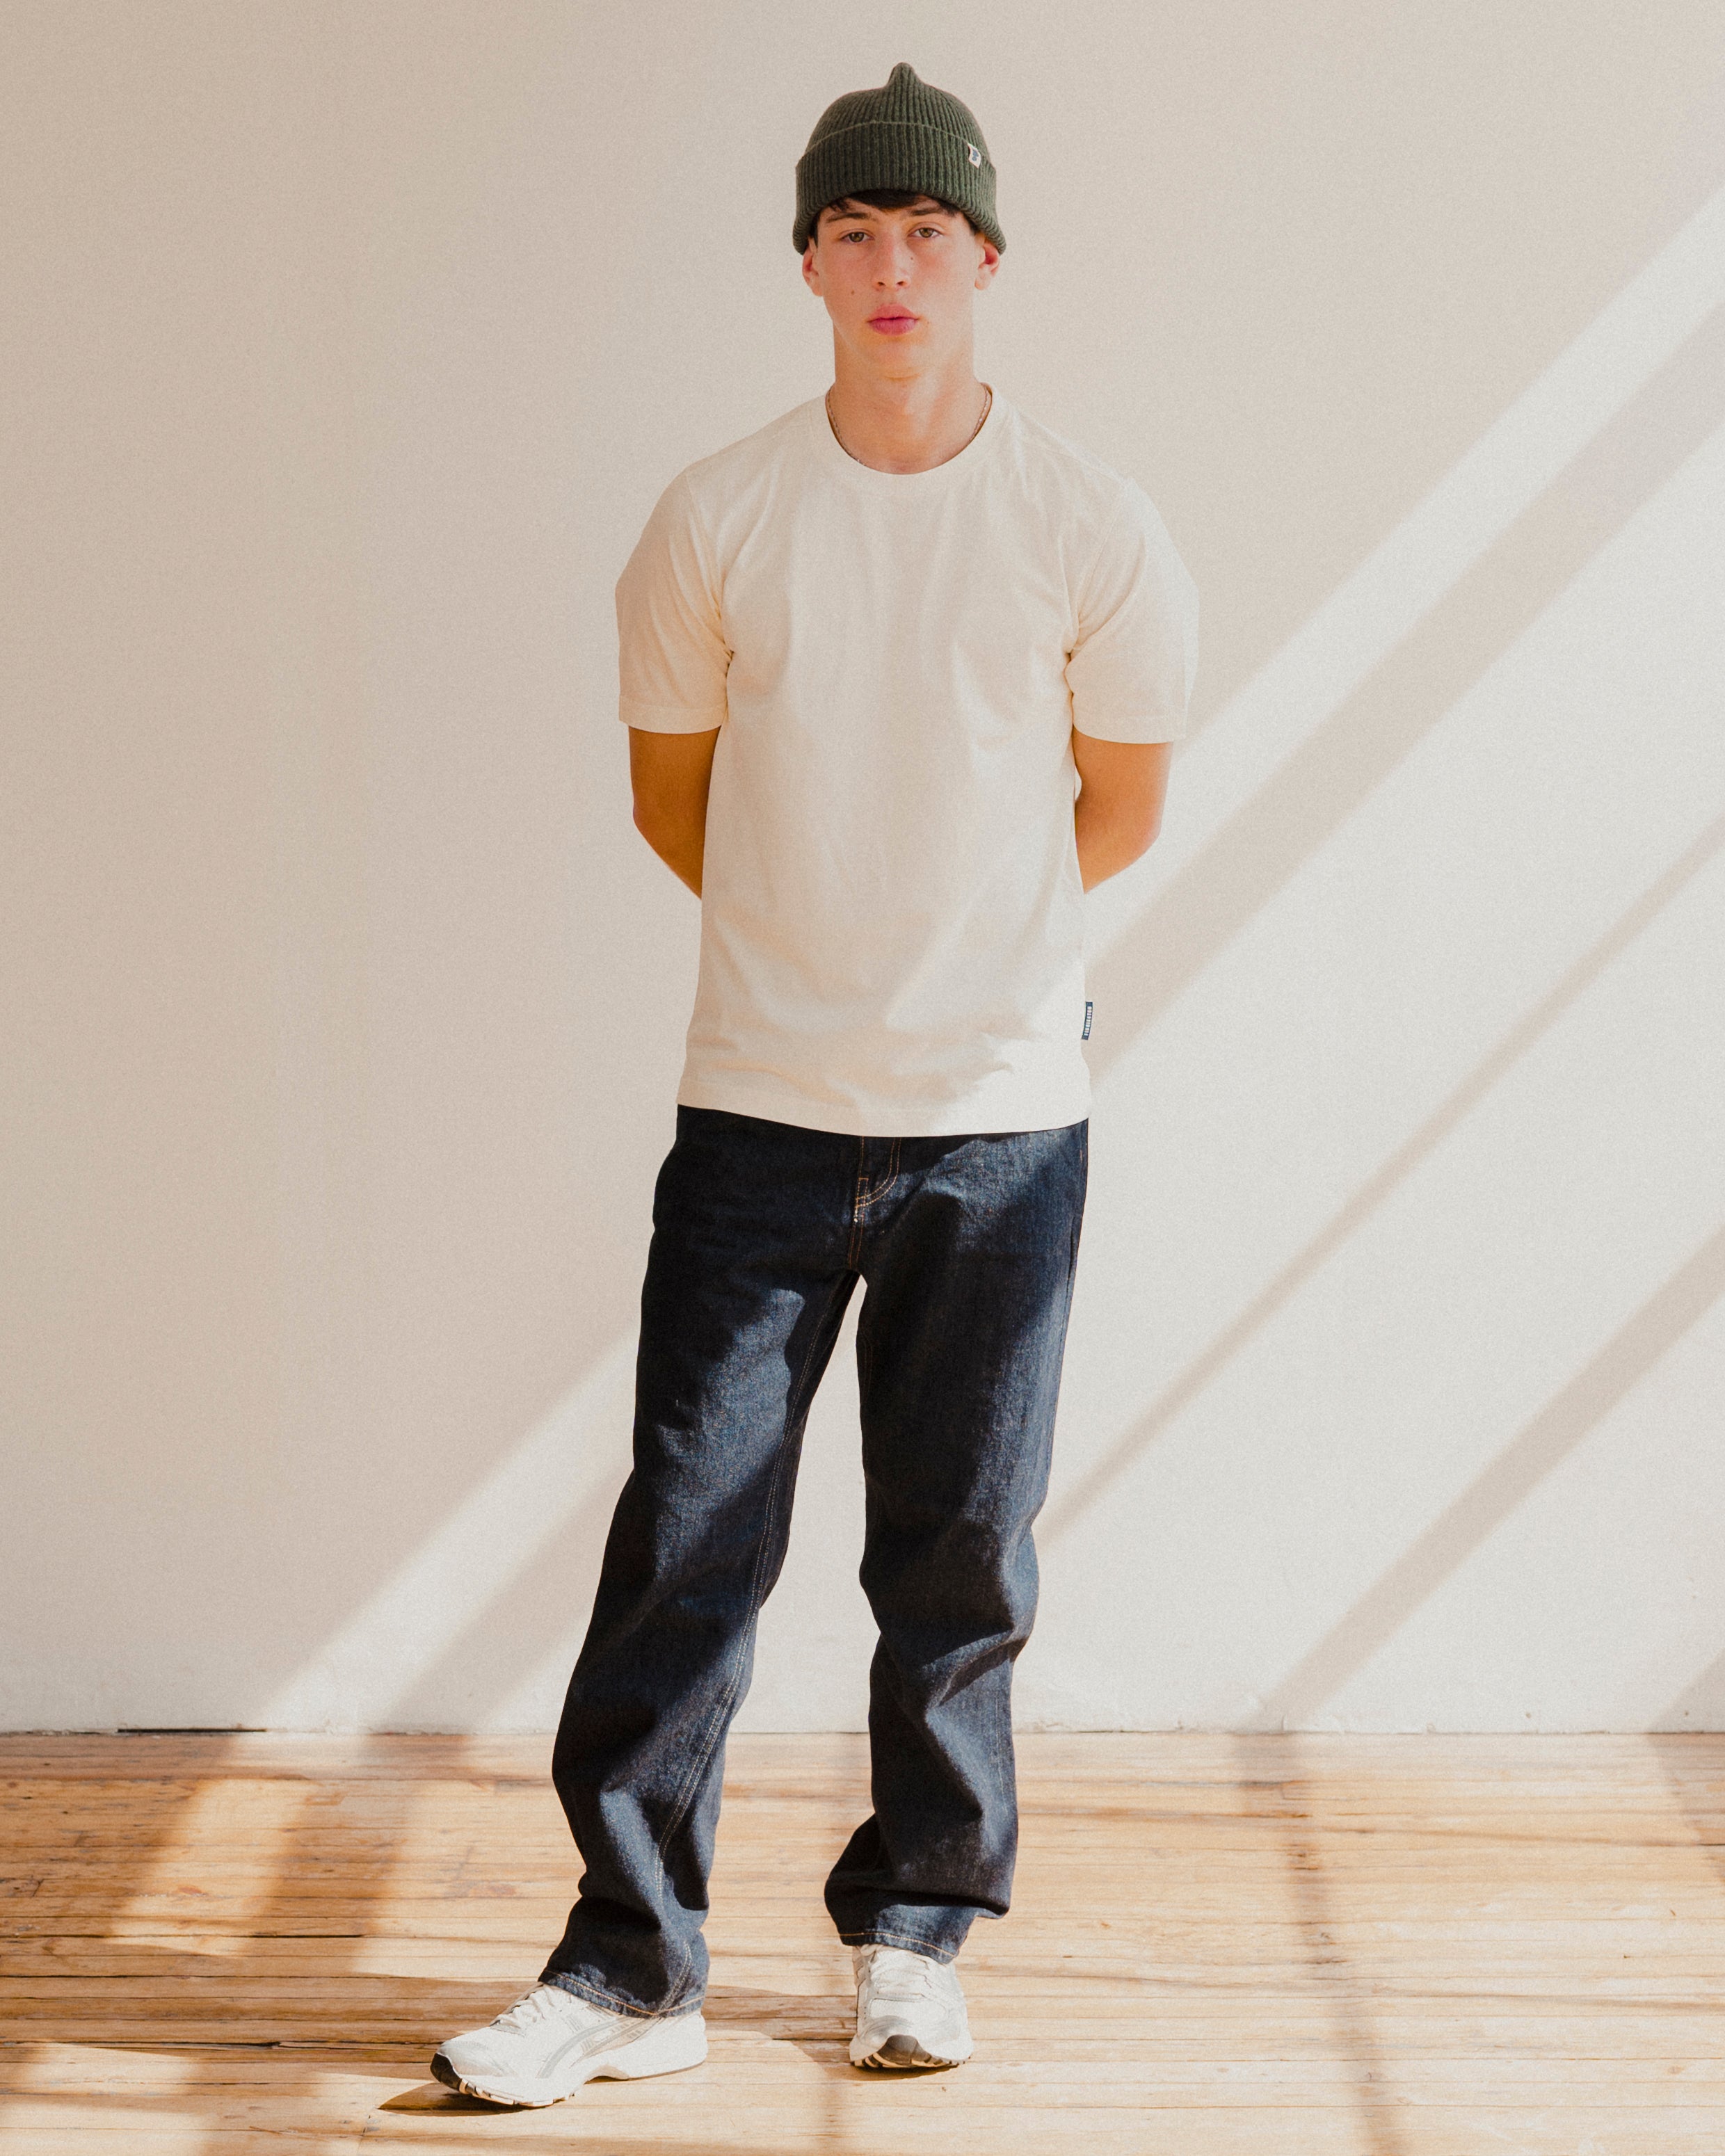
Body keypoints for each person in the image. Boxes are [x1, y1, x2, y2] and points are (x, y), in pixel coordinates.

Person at [432, 60, 1198, 2109]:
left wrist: (958, 955)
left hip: (1006, 1114)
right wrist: (820, 937)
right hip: (763, 1106)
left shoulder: (1089, 525)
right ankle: (627, 1965)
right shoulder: (720, 515)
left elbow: (1111, 807)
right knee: (687, 1528)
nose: (890, 268)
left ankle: (921, 1931)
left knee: (959, 1548)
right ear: (806, 263)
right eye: (854, 232)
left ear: (986, 265)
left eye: (925, 234)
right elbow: (672, 796)